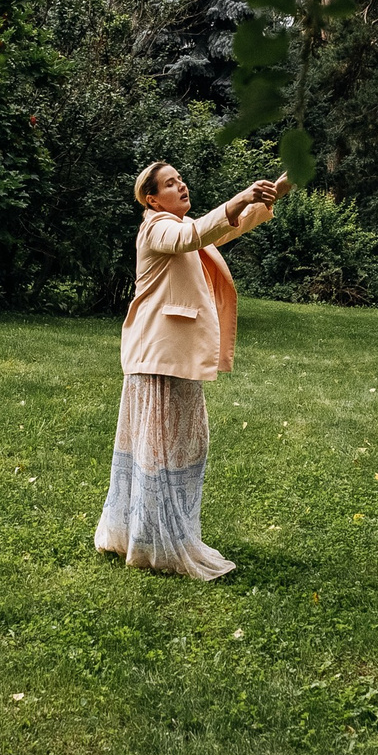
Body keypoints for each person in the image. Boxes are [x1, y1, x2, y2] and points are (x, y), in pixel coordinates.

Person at [94, 162, 284, 579]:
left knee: (181, 447)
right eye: (169, 183)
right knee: (161, 451)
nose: (180, 185)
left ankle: (153, 533)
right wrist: (239, 197)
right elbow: (195, 234)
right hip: (158, 356)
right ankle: (157, 542)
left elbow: (224, 228)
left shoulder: (179, 226)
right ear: (151, 198)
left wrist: (276, 191)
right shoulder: (157, 229)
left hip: (170, 356)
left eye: (180, 180)